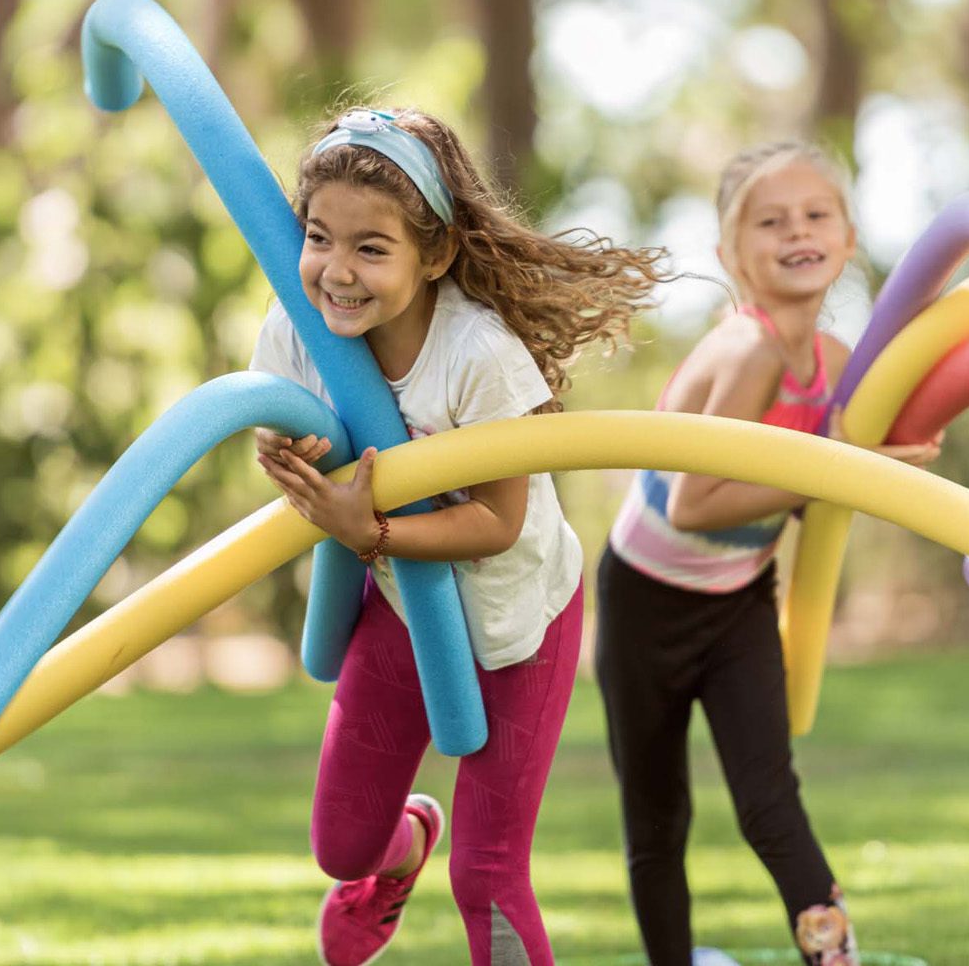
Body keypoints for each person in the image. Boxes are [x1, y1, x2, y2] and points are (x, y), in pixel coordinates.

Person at [250, 106, 667, 966]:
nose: (338, 271)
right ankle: (404, 849)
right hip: (405, 614)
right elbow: (275, 425)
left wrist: (367, 530)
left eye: (373, 248)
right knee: (341, 846)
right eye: (319, 237)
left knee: (488, 873)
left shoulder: (478, 353)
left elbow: (497, 522)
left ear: (434, 254)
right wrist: (278, 447)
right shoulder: (296, 326)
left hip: (523, 620)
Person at [595, 141, 940, 966]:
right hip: (648, 600)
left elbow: (869, 454)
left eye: (817, 215)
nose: (798, 231)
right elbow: (695, 501)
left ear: (848, 239)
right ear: (728, 253)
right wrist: (837, 475)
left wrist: (902, 447)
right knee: (657, 815)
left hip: (738, 598)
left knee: (769, 798)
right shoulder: (745, 350)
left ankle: (835, 957)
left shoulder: (838, 361)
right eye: (770, 220)